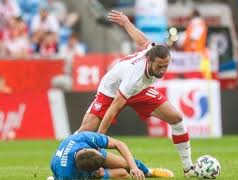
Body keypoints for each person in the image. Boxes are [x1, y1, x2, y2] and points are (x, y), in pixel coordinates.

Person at [77, 10, 195, 177]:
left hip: (140, 91)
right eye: (159, 66)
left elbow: (143, 40)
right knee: (85, 131)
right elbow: (114, 108)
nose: (163, 71)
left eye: (166, 66)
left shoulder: (154, 51)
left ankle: (188, 168)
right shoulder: (135, 76)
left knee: (176, 118)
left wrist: (126, 23)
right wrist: (100, 140)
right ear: (149, 61)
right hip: (111, 91)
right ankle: (62, 165)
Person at [49, 131, 174, 180]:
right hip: (69, 172)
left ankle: (150, 172)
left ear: (89, 149)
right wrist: (95, 176)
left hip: (83, 160)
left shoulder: (83, 138)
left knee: (127, 165)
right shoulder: (68, 175)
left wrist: (134, 167)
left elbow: (119, 144)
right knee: (123, 175)